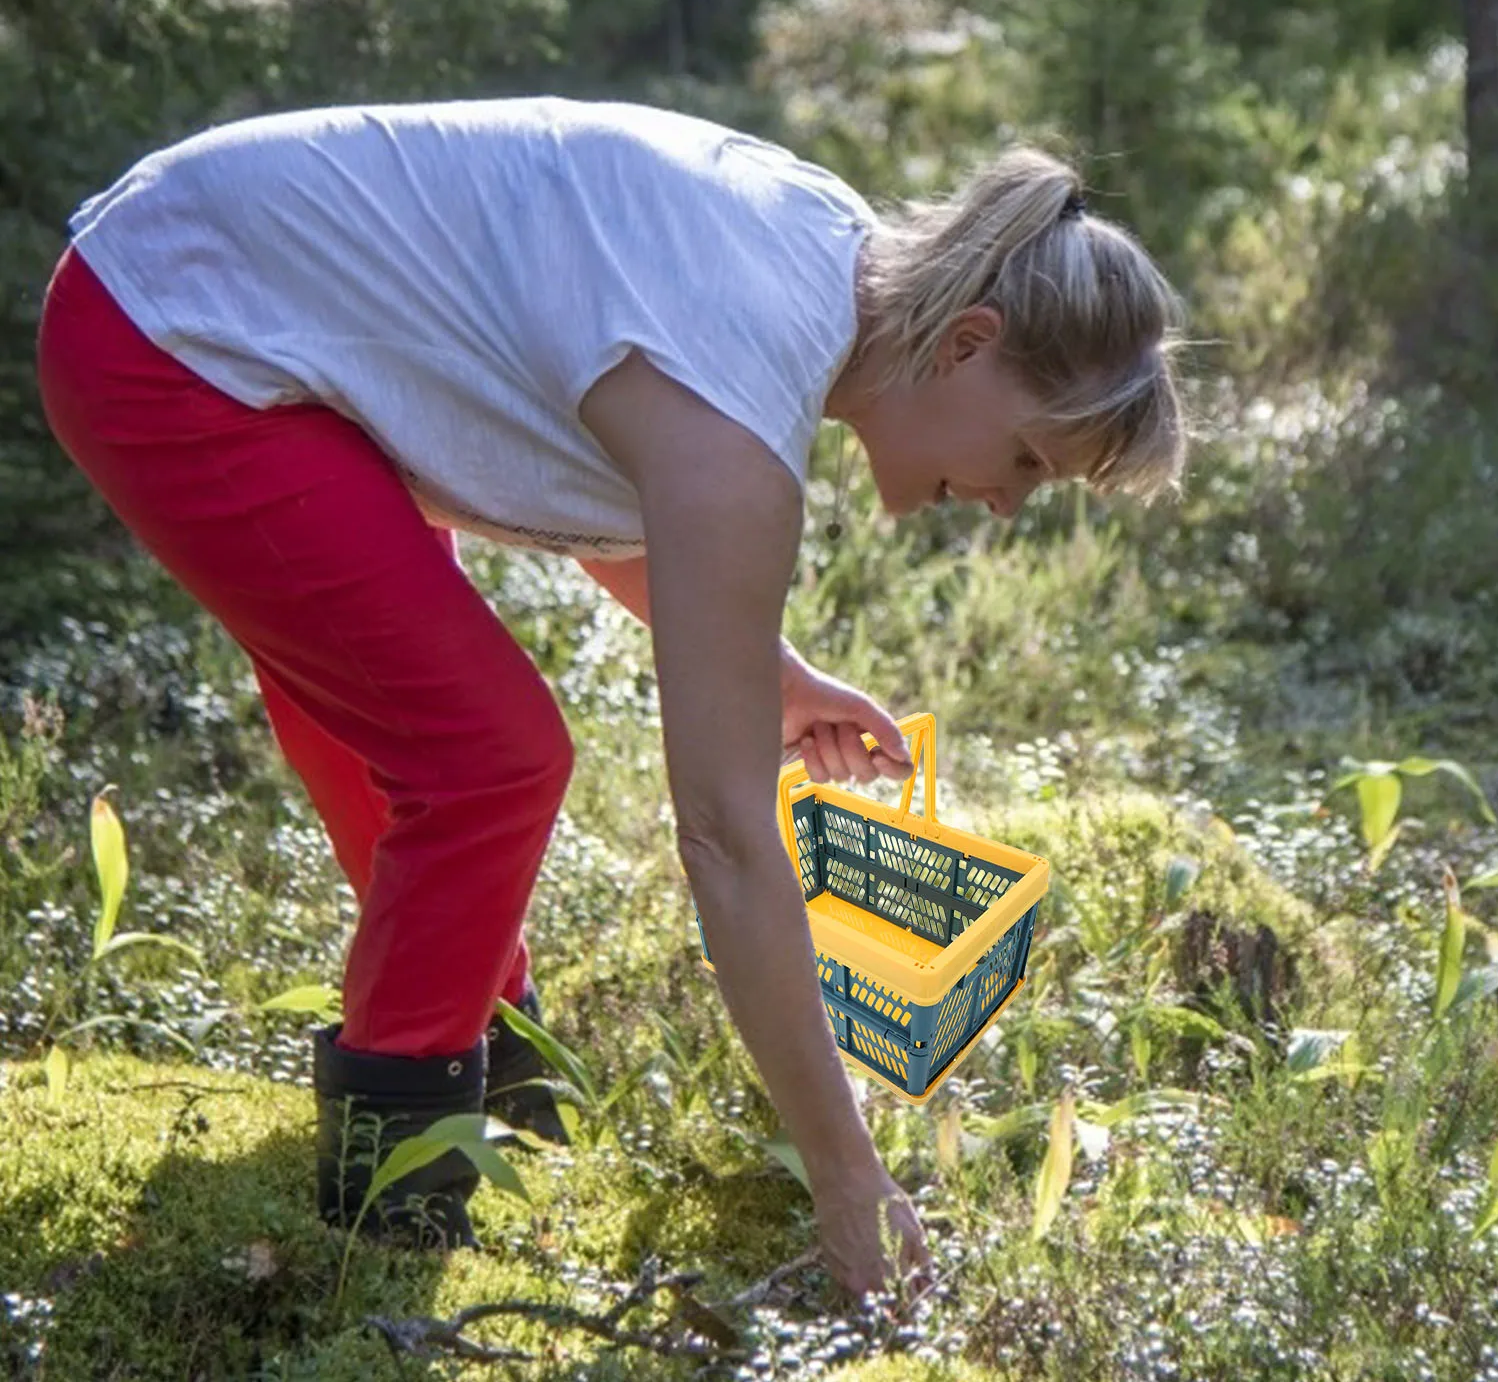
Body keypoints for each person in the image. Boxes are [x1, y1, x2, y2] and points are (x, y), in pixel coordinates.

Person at [35, 97, 1185, 1293]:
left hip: (214, 295)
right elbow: (728, 844)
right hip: (172, 332)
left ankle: (490, 1067)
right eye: (1029, 463)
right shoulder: (745, 390)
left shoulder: (818, 260)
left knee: (421, 716)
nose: (1004, 504)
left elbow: (593, 457)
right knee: (484, 756)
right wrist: (849, 1179)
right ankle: (389, 1206)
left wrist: (773, 678)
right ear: (967, 343)